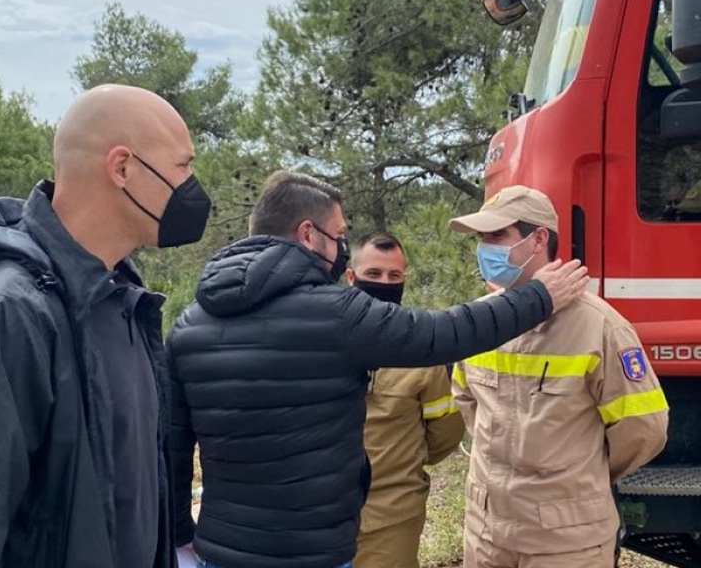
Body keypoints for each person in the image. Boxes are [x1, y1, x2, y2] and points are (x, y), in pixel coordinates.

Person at [166, 171, 588, 568]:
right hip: (315, 551)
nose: (342, 246)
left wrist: (180, 529)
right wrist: (539, 298)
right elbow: (445, 333)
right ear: (309, 234)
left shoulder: (189, 325)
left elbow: (172, 446)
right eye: (340, 235)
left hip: (221, 549)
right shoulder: (336, 315)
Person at [0, 84, 211, 568]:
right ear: (122, 168)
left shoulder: (124, 306)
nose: (193, 186)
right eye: (183, 166)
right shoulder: (4, 313)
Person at [448, 185, 670, 568]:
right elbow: (469, 404)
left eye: (498, 236)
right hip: (487, 533)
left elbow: (643, 429)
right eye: (483, 238)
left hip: (565, 541)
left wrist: (579, 474)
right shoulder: (480, 321)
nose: (486, 248)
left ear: (538, 239)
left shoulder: (599, 327)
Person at [347, 231, 466, 568]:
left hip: (391, 520)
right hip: (322, 517)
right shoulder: (323, 337)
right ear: (350, 276)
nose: (385, 284)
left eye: (394, 276)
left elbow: (444, 434)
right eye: (374, 275)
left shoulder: (421, 348)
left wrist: (400, 461)